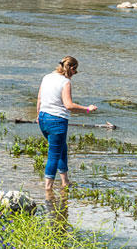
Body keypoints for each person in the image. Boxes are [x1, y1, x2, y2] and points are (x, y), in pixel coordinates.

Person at [36, 56, 98, 201]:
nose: (75, 74)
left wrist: (38, 116)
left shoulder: (47, 77)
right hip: (57, 121)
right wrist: (87, 109)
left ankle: (65, 181)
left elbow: (39, 98)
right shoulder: (65, 82)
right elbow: (69, 105)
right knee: (53, 154)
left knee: (62, 148)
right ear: (71, 68)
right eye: (75, 71)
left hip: (43, 118)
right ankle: (48, 189)